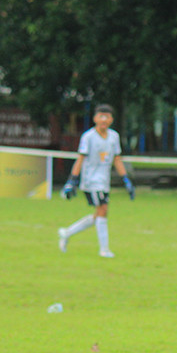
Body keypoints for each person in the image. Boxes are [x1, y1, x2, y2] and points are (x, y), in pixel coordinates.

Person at [58, 104, 135, 258]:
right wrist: (72, 180)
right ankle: (104, 249)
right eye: (101, 116)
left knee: (98, 214)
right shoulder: (88, 137)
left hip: (104, 181)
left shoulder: (114, 136)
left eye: (107, 116)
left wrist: (126, 179)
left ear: (112, 119)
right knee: (103, 210)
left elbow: (117, 159)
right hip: (91, 180)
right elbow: (80, 159)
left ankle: (67, 233)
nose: (104, 119)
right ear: (95, 118)